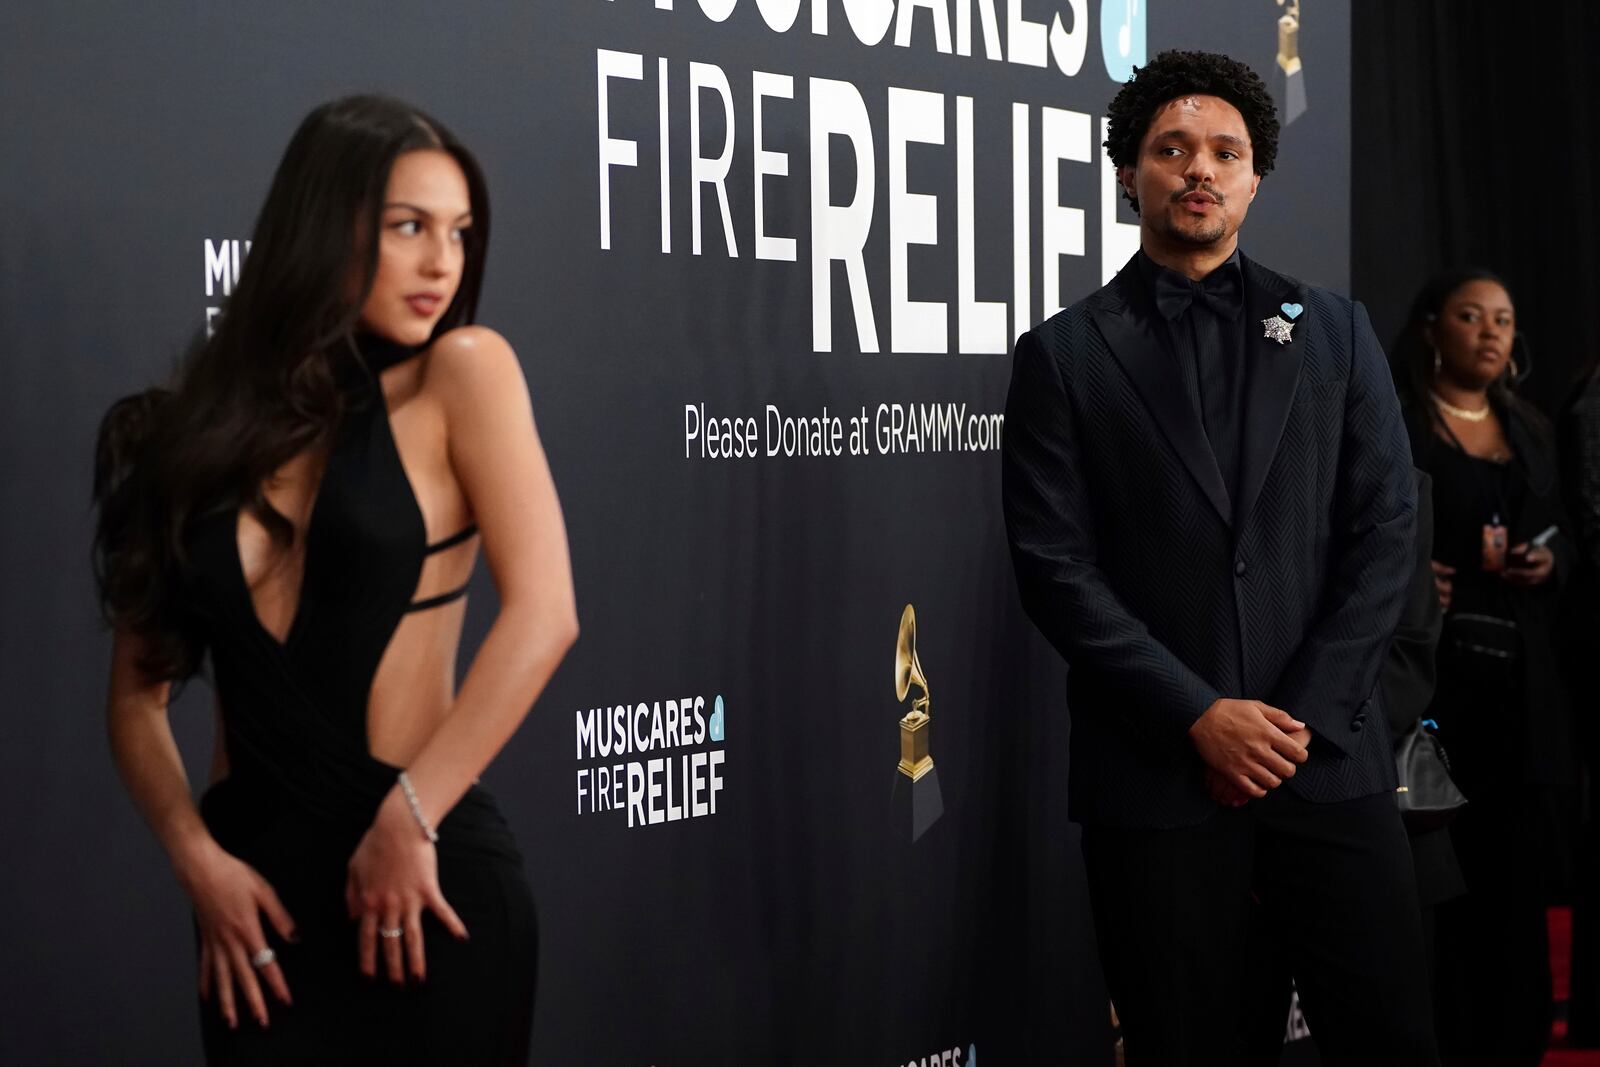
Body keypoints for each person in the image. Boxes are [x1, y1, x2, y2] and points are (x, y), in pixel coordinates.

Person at [92, 96, 577, 1064]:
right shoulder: (188, 438)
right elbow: (137, 700)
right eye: (408, 228)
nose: (443, 262)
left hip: (422, 884)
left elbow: (545, 615)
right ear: (324, 227)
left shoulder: (464, 375)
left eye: (459, 233)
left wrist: (410, 816)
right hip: (253, 920)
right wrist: (199, 864)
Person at [1001, 50, 1436, 1064]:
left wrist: (1296, 723)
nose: (1199, 167)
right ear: (1127, 173)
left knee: (1391, 1040)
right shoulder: (1063, 354)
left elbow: (1385, 531)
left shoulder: (1334, 329)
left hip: (1327, 763)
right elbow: (1054, 567)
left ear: (1253, 177)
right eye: (1171, 149)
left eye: (1224, 151)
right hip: (1154, 776)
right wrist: (1198, 714)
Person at [1394, 269, 1574, 1066]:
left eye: (1503, 318)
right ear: (1433, 327)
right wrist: (1406, 575)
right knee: (1439, 885)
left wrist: (1552, 563)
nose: (1491, 332)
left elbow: (1571, 528)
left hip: (1523, 690)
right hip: (1438, 690)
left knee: (1515, 887)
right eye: (1471, 316)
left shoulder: (1533, 426)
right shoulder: (1401, 422)